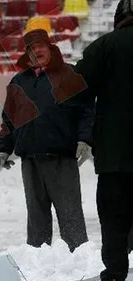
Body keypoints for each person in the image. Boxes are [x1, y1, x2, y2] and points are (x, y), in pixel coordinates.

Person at [0, 29, 94, 253]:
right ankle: (38, 264)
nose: (36, 51)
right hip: (30, 160)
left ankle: (79, 261)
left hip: (61, 158)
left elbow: (87, 111)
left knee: (70, 216)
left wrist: (85, 140)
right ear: (27, 53)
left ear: (50, 48)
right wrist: (3, 148)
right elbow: (9, 119)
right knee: (36, 219)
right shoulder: (18, 81)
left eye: (40, 46)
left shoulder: (69, 74)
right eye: (31, 48)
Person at [72, 0, 133, 279]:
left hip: (114, 158)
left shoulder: (103, 47)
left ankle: (115, 273)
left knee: (114, 221)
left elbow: (74, 91)